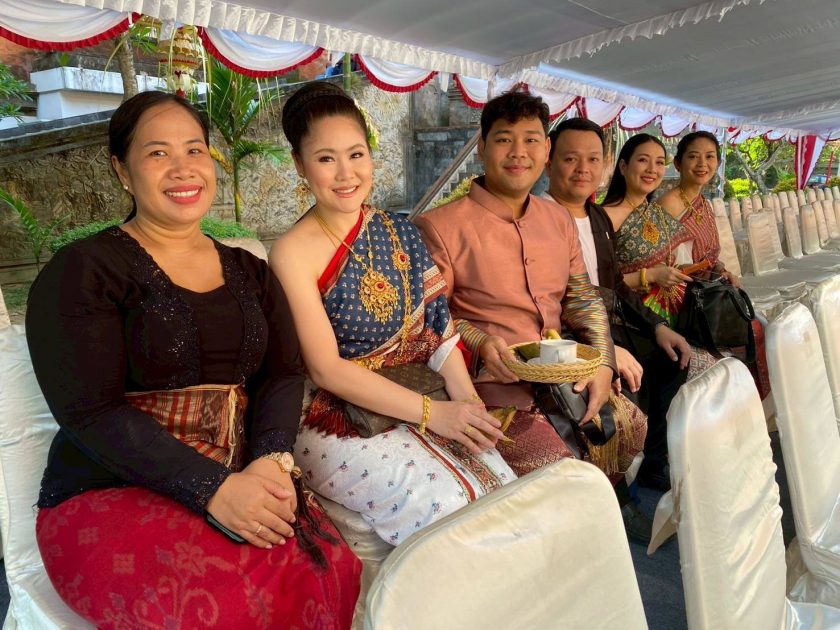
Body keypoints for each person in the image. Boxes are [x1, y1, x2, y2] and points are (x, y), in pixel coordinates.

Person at [26, 91, 361, 630]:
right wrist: (212, 489)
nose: (183, 168)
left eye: (195, 150)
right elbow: (91, 412)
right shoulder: (83, 270)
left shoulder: (250, 270)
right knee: (229, 600)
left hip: (241, 473)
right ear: (122, 171)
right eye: (158, 153)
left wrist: (270, 460)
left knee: (330, 569)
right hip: (113, 488)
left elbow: (283, 373)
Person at [270, 82, 514, 547]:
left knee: (502, 487)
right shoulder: (291, 253)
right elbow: (325, 369)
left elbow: (439, 331)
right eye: (325, 159)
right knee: (449, 506)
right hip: (335, 416)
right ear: (300, 165)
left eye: (356, 154)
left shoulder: (399, 230)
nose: (346, 173)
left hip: (421, 391)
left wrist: (467, 404)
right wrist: (434, 415)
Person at [415, 91, 646, 500]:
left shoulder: (557, 219)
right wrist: (480, 342)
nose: (518, 152)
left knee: (632, 427)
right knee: (559, 476)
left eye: (531, 140)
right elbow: (430, 319)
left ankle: (597, 519)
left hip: (564, 375)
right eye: (504, 139)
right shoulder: (439, 227)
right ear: (482, 146)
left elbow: (582, 299)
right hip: (493, 392)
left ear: (546, 150)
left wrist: (603, 363)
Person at [545, 119, 691, 496]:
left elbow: (615, 287)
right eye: (571, 159)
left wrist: (658, 326)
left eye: (593, 159)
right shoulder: (539, 220)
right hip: (568, 337)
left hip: (611, 324)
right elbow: (548, 303)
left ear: (606, 165)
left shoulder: (596, 217)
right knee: (622, 380)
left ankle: (652, 466)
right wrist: (606, 349)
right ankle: (613, 493)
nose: (583, 169)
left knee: (672, 357)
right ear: (548, 160)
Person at [658, 130, 741, 288]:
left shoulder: (703, 203)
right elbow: (652, 261)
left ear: (717, 163)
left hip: (704, 288)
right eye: (693, 156)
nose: (702, 163)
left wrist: (722, 271)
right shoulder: (668, 205)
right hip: (675, 293)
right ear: (678, 164)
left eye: (709, 156)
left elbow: (709, 257)